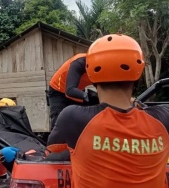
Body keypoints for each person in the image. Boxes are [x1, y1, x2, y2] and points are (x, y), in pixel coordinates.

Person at [47, 34, 169, 187]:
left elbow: (54, 149)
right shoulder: (164, 118)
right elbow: (70, 90)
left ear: (92, 74)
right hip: (60, 91)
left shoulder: (73, 118)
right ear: (137, 76)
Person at [47, 53, 97, 130]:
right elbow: (70, 90)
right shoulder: (80, 62)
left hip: (77, 89)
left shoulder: (105, 68)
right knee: (59, 123)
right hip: (59, 90)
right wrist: (87, 96)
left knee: (81, 122)